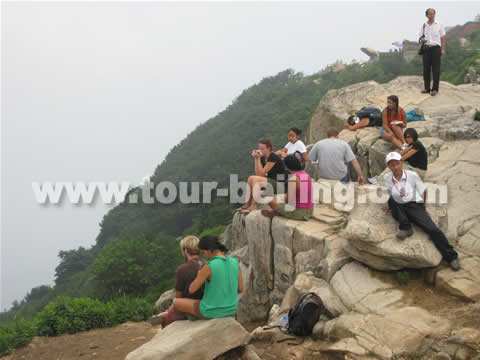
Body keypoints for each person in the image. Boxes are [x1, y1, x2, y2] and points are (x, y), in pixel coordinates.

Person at [382, 152, 460, 271]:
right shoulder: (387, 178)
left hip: (414, 205)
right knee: (393, 199)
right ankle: (406, 228)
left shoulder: (412, 175)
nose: (395, 167)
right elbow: (390, 192)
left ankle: (451, 257)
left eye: (397, 164)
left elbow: (423, 191)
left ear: (401, 163)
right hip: (399, 204)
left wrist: (424, 207)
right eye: (392, 165)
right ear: (388, 166)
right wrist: (388, 203)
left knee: (432, 229)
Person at [173, 235, 244, 319]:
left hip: (211, 311)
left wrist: (200, 274)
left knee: (176, 302)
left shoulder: (209, 266)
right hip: (232, 309)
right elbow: (240, 289)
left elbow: (191, 289)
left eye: (204, 253)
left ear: (210, 250)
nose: (205, 256)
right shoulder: (235, 262)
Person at [149, 235, 205, 328]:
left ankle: (164, 317)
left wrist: (169, 311)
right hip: (206, 304)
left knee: (166, 317)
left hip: (190, 310)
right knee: (167, 312)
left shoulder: (182, 269)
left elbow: (179, 298)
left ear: (185, 251)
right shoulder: (207, 265)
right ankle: (165, 314)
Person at [238, 138, 288, 214]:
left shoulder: (273, 157)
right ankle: (247, 203)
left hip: (280, 184)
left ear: (268, 148)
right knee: (251, 178)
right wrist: (256, 159)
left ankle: (253, 206)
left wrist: (257, 159)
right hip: (271, 181)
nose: (260, 150)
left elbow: (261, 175)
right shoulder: (263, 158)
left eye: (262, 148)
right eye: (259, 148)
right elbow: (258, 174)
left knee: (256, 180)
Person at [261, 154, 314, 221]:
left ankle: (279, 212)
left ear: (287, 167)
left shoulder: (293, 179)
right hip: (310, 210)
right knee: (281, 198)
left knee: (269, 199)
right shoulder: (305, 174)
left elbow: (288, 201)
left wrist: (281, 201)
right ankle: (279, 211)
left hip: (300, 213)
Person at [419, 8, 446, 96]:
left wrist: (442, 49)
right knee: (426, 69)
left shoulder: (439, 25)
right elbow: (420, 36)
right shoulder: (424, 25)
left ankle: (435, 89)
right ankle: (427, 88)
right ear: (426, 15)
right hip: (426, 48)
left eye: (433, 14)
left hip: (436, 48)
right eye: (430, 14)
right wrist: (424, 39)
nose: (431, 16)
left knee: (436, 69)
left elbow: (442, 37)